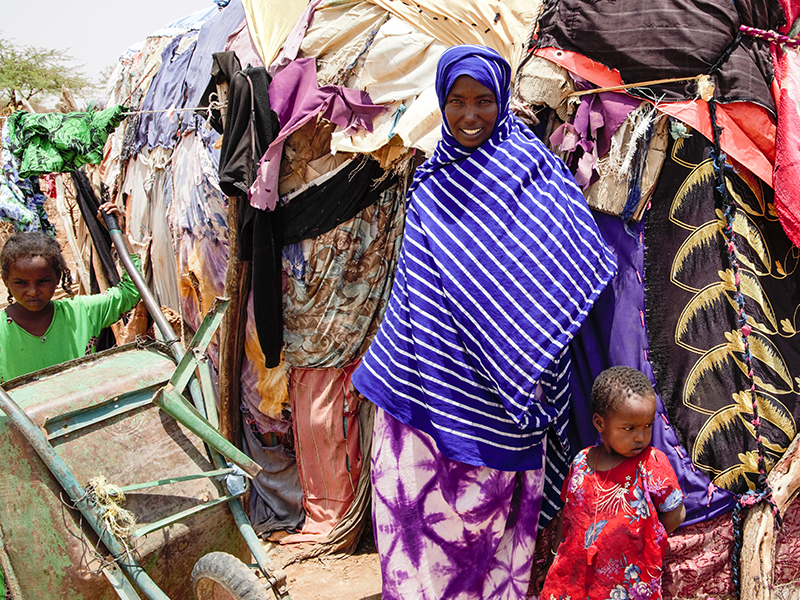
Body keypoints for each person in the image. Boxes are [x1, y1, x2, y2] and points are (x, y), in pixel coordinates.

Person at [351, 45, 618, 599]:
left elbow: (573, 259)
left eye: (483, 101)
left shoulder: (535, 171)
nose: (470, 115)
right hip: (423, 387)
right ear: (441, 103)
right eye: (456, 101)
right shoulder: (429, 183)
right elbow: (415, 291)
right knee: (417, 540)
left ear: (501, 101)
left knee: (490, 552)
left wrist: (517, 330)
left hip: (507, 400)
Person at [539, 366, 686, 599]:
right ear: (600, 423)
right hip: (573, 577)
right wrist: (554, 556)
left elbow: (676, 514)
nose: (640, 437)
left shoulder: (650, 463)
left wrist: (643, 540)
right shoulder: (581, 462)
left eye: (647, 426)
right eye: (629, 428)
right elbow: (568, 514)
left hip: (624, 583)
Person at [0, 202, 141, 383]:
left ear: (58, 278)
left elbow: (132, 290)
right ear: (6, 282)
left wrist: (119, 236)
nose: (33, 291)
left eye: (43, 281)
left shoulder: (82, 313)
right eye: (21, 283)